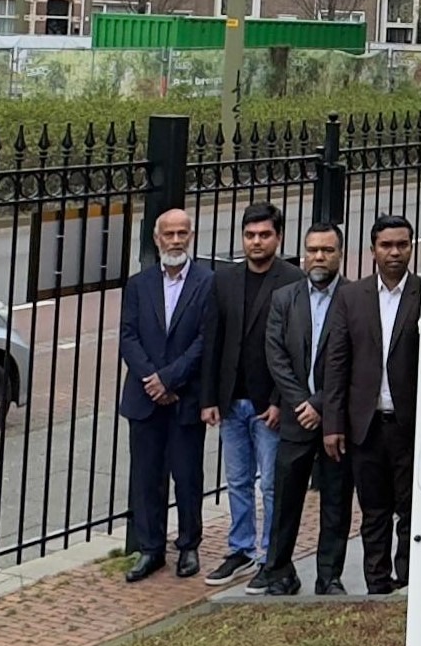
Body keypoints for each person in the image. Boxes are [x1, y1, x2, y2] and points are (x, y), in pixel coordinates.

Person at [320, 213, 421, 595]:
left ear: (411, 247)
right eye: (386, 245)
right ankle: (377, 582)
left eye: (402, 245)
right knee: (374, 510)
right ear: (373, 250)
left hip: (409, 423)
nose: (394, 252)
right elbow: (337, 361)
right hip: (365, 424)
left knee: (411, 510)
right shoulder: (352, 297)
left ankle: (409, 578)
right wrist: (333, 423)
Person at [117, 207, 213, 582]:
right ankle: (150, 548)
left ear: (190, 236)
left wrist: (170, 380)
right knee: (146, 477)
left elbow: (205, 340)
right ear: (156, 239)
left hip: (184, 397)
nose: (175, 241)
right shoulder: (138, 285)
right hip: (144, 398)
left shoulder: (207, 282)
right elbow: (127, 336)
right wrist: (151, 380)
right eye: (168, 234)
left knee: (187, 476)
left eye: (182, 234)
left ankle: (188, 546)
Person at [257, 225, 354, 596]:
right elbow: (275, 355)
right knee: (285, 498)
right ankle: (279, 571)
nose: (318, 257)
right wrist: (300, 402)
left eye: (327, 250)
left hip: (334, 419)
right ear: (303, 252)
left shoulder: (353, 297)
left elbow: (357, 360)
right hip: (296, 418)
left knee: (336, 499)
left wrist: (319, 404)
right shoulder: (285, 298)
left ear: (339, 254)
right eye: (312, 250)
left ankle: (328, 575)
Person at [198, 201, 291, 584]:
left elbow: (298, 348)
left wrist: (282, 401)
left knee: (270, 482)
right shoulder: (224, 280)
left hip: (269, 403)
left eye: (264, 235)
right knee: (236, 480)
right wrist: (208, 399)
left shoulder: (292, 280)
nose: (256, 242)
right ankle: (241, 548)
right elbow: (212, 341)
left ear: (278, 237)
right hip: (230, 400)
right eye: (250, 235)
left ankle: (271, 555)